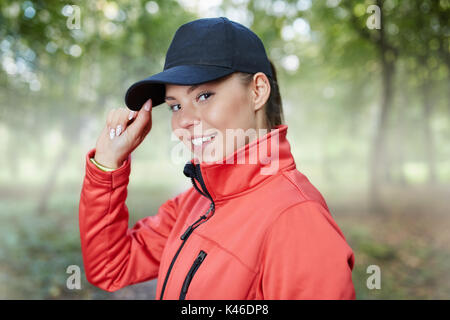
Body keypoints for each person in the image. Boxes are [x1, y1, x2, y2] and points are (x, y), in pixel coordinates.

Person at [78, 17, 356, 300]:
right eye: (175, 106)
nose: (184, 121)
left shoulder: (296, 219)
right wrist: (107, 164)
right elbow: (111, 266)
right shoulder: (195, 202)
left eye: (204, 95)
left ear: (257, 91)